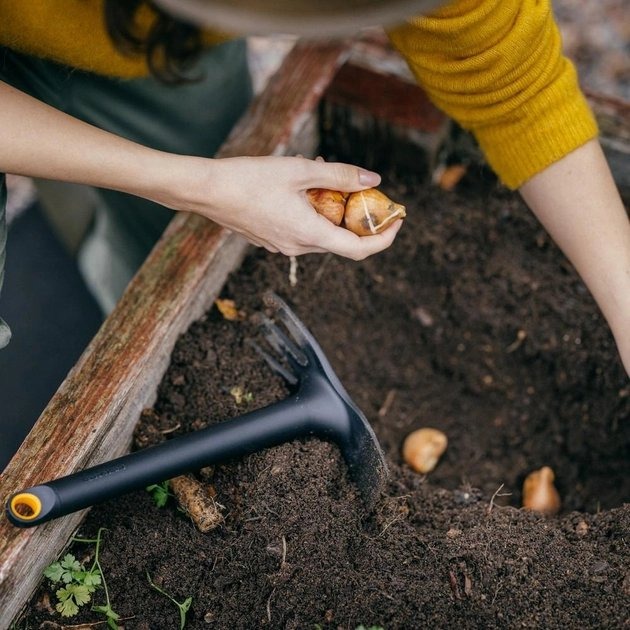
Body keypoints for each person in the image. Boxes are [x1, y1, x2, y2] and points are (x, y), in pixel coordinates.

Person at [0, 0, 628, 378]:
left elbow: (517, 88)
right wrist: (192, 183)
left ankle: (112, 279)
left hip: (161, 45)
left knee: (170, 239)